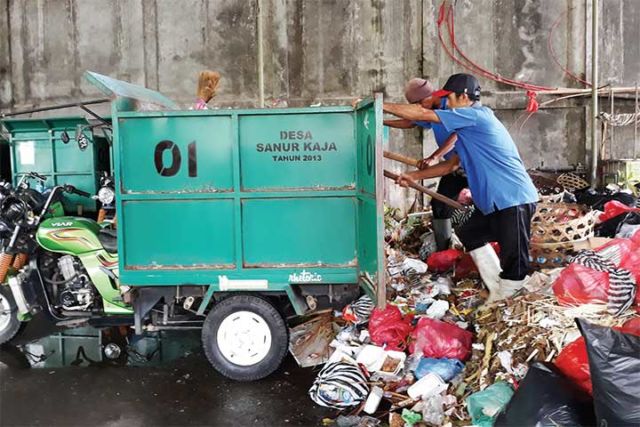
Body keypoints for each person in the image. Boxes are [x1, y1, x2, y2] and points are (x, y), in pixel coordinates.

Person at [382, 73, 539, 302]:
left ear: (463, 97)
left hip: (512, 198)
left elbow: (422, 114)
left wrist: (379, 107)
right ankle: (498, 289)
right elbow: (449, 166)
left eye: (450, 98)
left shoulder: (475, 116)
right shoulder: (466, 131)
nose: (448, 104)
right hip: (495, 202)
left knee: (514, 260)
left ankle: (507, 303)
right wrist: (414, 176)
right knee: (470, 230)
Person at [384, 78, 467, 250]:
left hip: (471, 166)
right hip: (453, 167)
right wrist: (382, 121)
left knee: (481, 208)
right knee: (439, 206)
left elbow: (456, 136)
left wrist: (434, 157)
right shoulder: (429, 109)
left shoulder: (453, 106)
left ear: (430, 96)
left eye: (421, 104)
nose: (421, 109)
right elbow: (410, 122)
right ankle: (443, 250)